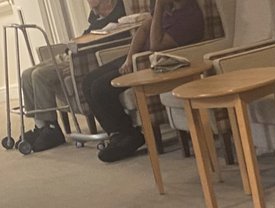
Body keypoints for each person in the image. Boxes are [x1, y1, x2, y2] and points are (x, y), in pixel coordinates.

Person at [82, 0, 205, 163]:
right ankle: (117, 134)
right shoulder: (169, 10)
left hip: (152, 62)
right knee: (87, 81)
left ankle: (128, 135)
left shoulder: (190, 17)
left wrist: (160, 7)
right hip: (136, 58)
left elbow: (156, 45)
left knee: (100, 87)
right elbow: (143, 29)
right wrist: (128, 59)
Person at [19, 0, 125, 152]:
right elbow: (89, 31)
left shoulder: (119, 10)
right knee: (27, 73)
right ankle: (40, 126)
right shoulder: (95, 13)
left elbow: (107, 35)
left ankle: (52, 128)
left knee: (39, 75)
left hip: (80, 58)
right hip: (70, 53)